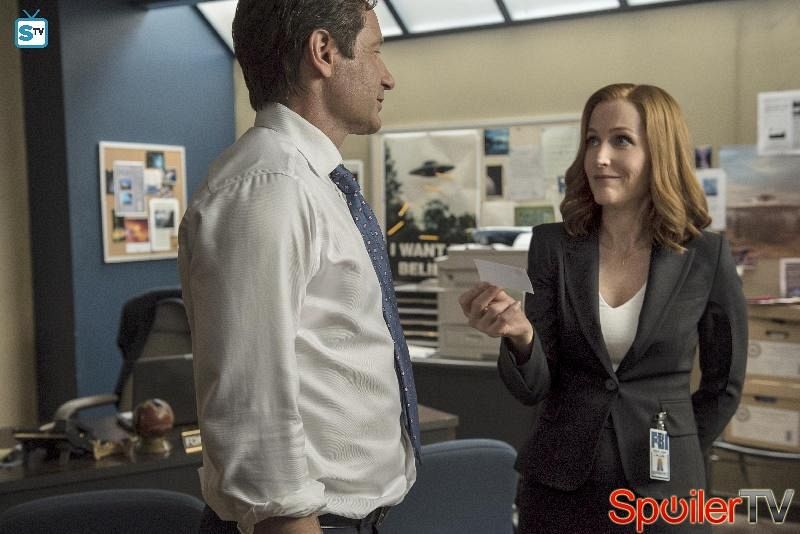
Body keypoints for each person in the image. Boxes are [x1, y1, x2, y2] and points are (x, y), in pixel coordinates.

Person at [459, 83, 747, 533]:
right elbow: (533, 388)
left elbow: (724, 385)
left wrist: (678, 448)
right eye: (592, 140)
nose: (599, 157)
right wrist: (521, 337)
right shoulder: (553, 246)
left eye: (621, 140)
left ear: (660, 153)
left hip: (664, 494)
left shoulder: (705, 256)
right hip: (559, 488)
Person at [178, 2, 419, 533]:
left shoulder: (313, 182)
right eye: (375, 52)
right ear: (323, 52)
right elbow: (251, 410)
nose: (387, 77)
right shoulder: (268, 187)